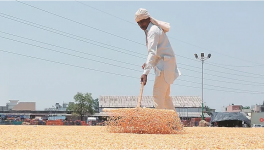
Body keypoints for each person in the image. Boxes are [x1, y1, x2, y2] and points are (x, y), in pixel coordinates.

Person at [135, 8, 181, 111]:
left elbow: (152, 53)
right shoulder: (150, 31)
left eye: (142, 22)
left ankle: (160, 124)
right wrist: (147, 64)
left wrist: (145, 73)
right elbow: (156, 54)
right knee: (165, 97)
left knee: (157, 95)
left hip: (165, 65)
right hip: (165, 64)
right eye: (138, 23)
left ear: (148, 19)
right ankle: (174, 124)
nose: (140, 25)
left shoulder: (153, 31)